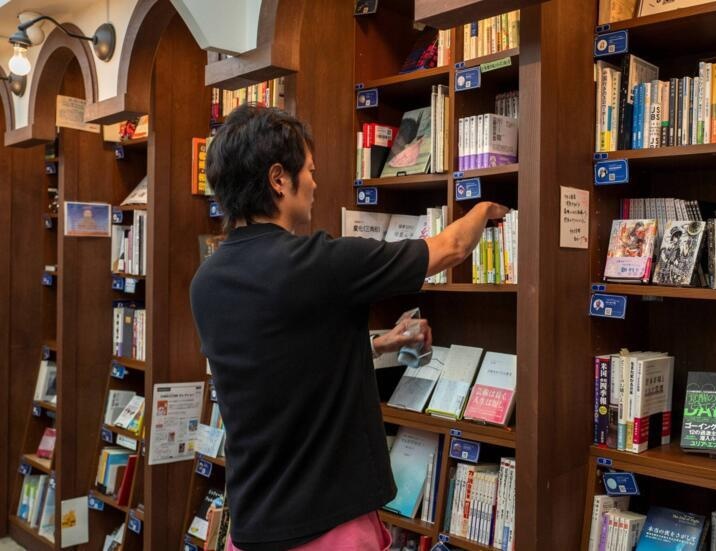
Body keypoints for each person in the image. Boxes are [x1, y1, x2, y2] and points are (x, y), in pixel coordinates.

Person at [189, 105, 509, 551]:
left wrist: (381, 344)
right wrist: (486, 207)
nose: (316, 183)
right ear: (279, 179)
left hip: (252, 525)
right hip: (329, 527)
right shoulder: (321, 264)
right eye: (311, 171)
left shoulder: (206, 282)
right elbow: (451, 247)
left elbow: (286, 357)